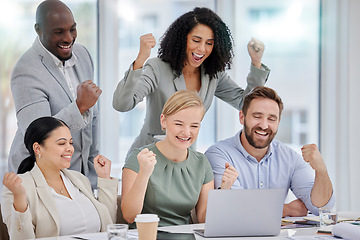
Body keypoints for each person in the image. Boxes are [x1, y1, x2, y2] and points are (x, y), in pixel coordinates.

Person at [113, 7, 270, 157]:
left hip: (185, 161)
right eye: (196, 40)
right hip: (148, 158)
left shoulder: (213, 75)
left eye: (209, 43)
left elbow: (246, 104)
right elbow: (122, 104)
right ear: (182, 40)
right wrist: (140, 59)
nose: (202, 49)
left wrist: (256, 63)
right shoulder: (157, 68)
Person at [8, 0, 101, 188]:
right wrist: (79, 107)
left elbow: (92, 118)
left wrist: (92, 172)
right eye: (59, 32)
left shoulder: (83, 55)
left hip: (80, 180)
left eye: (72, 29)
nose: (68, 38)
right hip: (39, 182)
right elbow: (36, 136)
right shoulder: (26, 70)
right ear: (38, 30)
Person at [205, 86, 335, 217]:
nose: (264, 125)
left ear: (278, 122)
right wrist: (289, 209)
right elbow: (236, 209)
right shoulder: (218, 155)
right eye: (257, 116)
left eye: (271, 119)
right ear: (242, 117)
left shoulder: (290, 158)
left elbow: (321, 208)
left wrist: (321, 171)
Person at [121, 90, 236, 227]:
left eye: (194, 125)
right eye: (179, 124)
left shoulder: (202, 163)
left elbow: (204, 219)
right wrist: (144, 173)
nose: (186, 132)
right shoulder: (139, 158)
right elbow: (129, 216)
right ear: (163, 121)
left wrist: (224, 190)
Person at [1, 117, 118, 239]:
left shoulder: (80, 180)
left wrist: (104, 178)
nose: (70, 149)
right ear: (38, 148)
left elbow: (109, 226)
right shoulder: (17, 188)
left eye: (71, 143)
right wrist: (19, 199)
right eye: (62, 143)